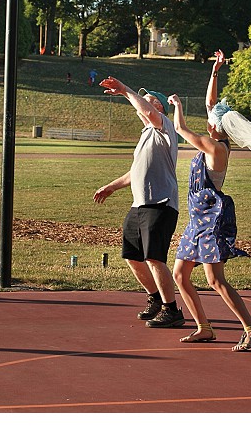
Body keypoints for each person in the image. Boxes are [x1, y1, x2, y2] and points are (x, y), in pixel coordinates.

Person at [168, 50, 251, 351]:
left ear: (217, 127)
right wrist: (215, 72)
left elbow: (179, 129)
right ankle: (204, 327)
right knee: (180, 274)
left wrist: (176, 105)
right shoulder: (216, 138)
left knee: (215, 280)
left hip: (210, 222)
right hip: (197, 222)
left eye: (210, 119)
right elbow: (212, 104)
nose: (207, 116)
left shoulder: (215, 148)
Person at [93, 77, 183, 328]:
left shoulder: (164, 127)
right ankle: (155, 299)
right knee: (132, 256)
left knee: (154, 257)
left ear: (160, 108)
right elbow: (136, 171)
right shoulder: (146, 135)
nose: (143, 104)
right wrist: (111, 187)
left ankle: (172, 309)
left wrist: (125, 90)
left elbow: (144, 109)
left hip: (161, 203)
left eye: (150, 101)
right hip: (139, 204)